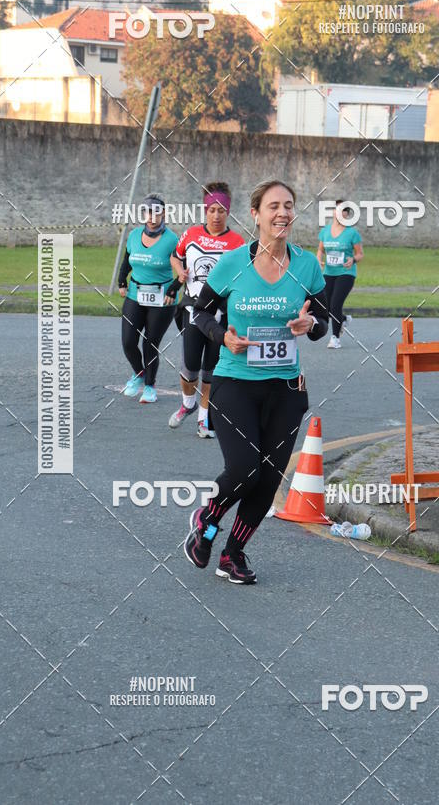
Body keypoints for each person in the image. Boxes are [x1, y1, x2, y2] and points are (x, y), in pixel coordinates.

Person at [183, 180, 329, 584]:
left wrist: (311, 323)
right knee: (245, 468)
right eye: (273, 207)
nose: (283, 213)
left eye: (288, 206)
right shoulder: (232, 263)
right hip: (235, 382)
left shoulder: (306, 266)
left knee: (268, 479)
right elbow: (198, 311)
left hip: (285, 390)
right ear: (256, 215)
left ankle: (233, 554)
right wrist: (222, 336)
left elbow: (325, 321)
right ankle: (208, 520)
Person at [168, 182, 245, 438]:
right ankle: (187, 404)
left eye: (221, 209)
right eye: (212, 209)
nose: (216, 215)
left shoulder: (237, 242)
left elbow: (243, 276)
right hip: (192, 308)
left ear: (228, 211)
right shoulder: (190, 235)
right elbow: (175, 256)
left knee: (211, 369)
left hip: (220, 313)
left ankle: (204, 419)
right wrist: (179, 272)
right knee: (190, 366)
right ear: (205, 210)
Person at [118, 193, 178, 403]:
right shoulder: (134, 235)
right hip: (135, 295)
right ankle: (140, 374)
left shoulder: (172, 239)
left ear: (163, 214)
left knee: (150, 343)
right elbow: (127, 261)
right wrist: (121, 281)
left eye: (156, 213)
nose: (152, 217)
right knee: (128, 342)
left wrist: (174, 289)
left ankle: (150, 387)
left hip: (162, 299)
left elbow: (183, 268)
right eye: (148, 212)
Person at [317, 200, 363, 349]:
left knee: (336, 304)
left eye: (343, 210)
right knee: (327, 306)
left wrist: (353, 259)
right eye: (336, 210)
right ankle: (342, 319)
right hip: (329, 272)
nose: (339, 213)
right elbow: (320, 250)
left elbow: (360, 254)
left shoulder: (352, 233)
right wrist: (319, 260)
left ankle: (335, 338)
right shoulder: (325, 231)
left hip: (346, 273)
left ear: (347, 215)